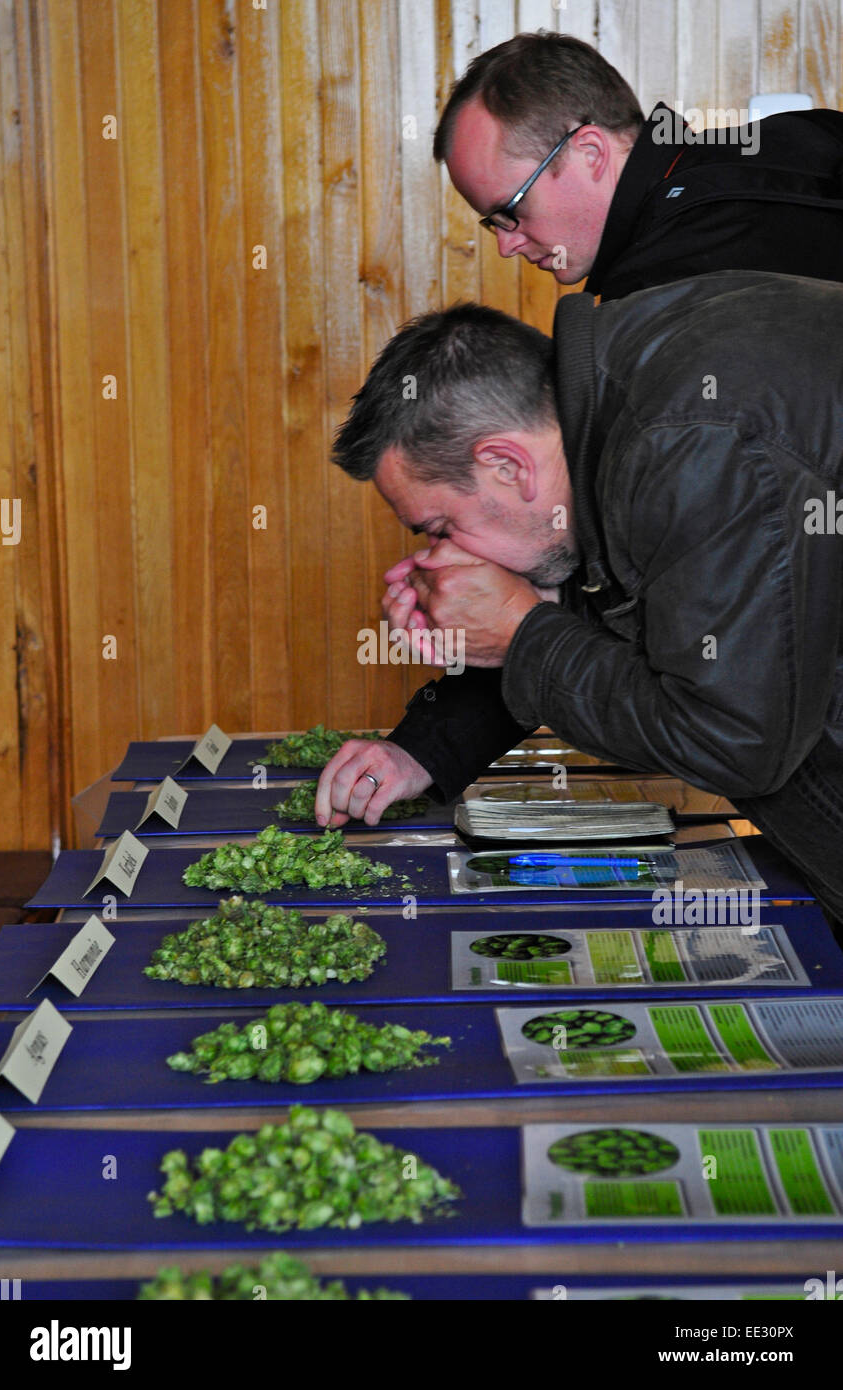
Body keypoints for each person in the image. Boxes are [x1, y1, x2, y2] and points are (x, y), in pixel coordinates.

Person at [314, 277, 843, 929]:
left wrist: (518, 630)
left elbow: (736, 740)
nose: (447, 555)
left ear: (508, 465)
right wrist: (426, 746)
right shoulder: (611, 405)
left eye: (439, 528)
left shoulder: (688, 438)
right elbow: (601, 610)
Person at [433, 31, 843, 299]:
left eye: (511, 211)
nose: (506, 247)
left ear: (590, 152)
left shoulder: (657, 290)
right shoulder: (809, 131)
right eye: (494, 223)